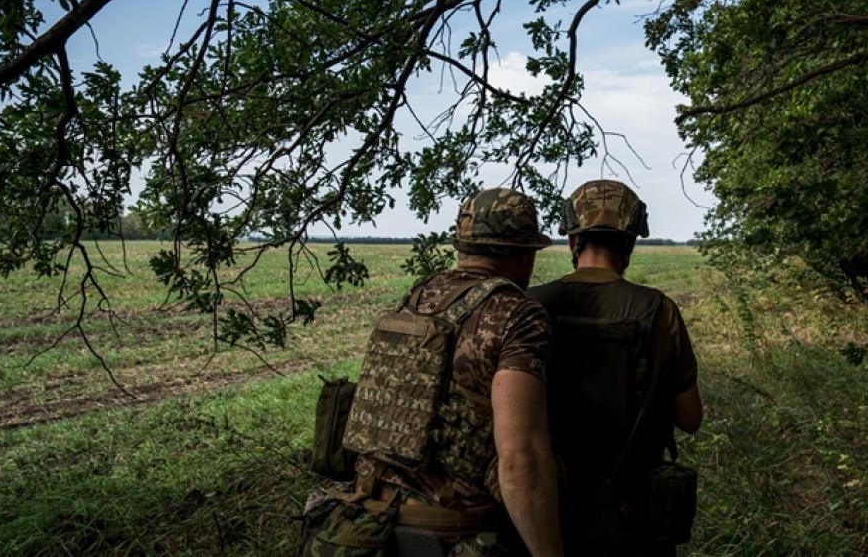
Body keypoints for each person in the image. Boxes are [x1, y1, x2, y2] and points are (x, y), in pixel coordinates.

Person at [301, 188, 564, 557]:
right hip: (445, 534)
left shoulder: (418, 296)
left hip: (365, 519)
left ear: (462, 247)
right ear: (523, 254)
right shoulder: (517, 315)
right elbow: (522, 460)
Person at [527, 180, 703, 557]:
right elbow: (690, 418)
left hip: (544, 510)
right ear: (631, 244)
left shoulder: (528, 305)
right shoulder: (659, 309)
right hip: (632, 515)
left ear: (573, 241)